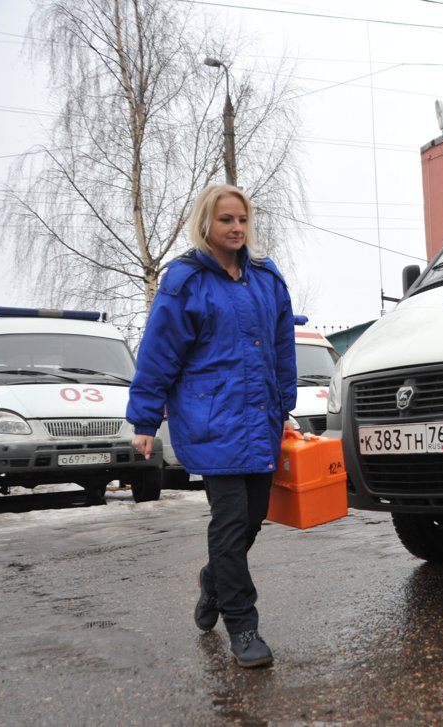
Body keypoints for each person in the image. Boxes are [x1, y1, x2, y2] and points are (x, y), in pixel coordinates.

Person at [127, 183, 297, 669]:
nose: (236, 228)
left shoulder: (266, 278)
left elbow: (283, 343)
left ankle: (212, 582)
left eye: (242, 219)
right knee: (228, 523)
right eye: (226, 220)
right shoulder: (185, 281)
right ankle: (243, 627)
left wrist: (284, 402)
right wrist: (143, 418)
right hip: (212, 420)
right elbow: (159, 353)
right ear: (206, 223)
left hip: (260, 419)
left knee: (253, 517)